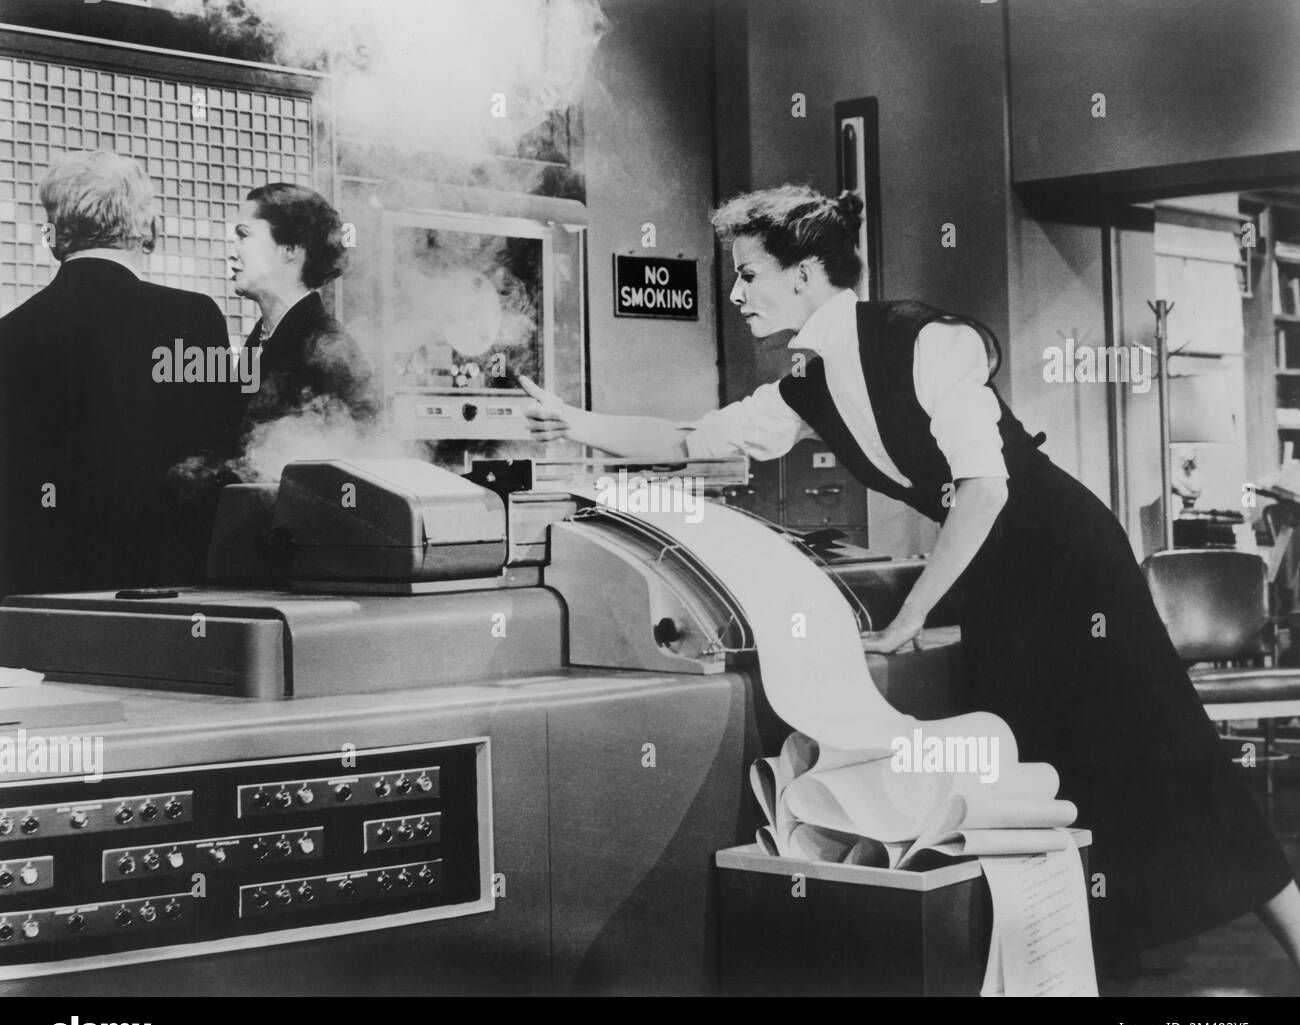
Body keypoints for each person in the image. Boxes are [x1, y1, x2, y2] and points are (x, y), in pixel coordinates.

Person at [520, 183, 1300, 968]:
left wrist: (909, 617)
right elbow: (696, 438)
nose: (735, 293)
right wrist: (575, 423)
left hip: (1068, 561)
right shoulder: (808, 382)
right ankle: (1072, 966)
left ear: (804, 274)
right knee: (1041, 771)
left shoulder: (928, 339)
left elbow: (985, 489)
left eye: (748, 274)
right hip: (1000, 578)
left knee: (1169, 750)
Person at [0, 151, 240, 597]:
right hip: (166, 580)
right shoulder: (193, 317)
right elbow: (222, 447)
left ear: (54, 237)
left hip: (36, 584)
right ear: (148, 229)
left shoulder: (11, 332)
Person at [229, 182, 374, 429]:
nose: (233, 251)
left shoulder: (333, 351)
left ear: (289, 249)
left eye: (244, 235)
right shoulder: (264, 337)